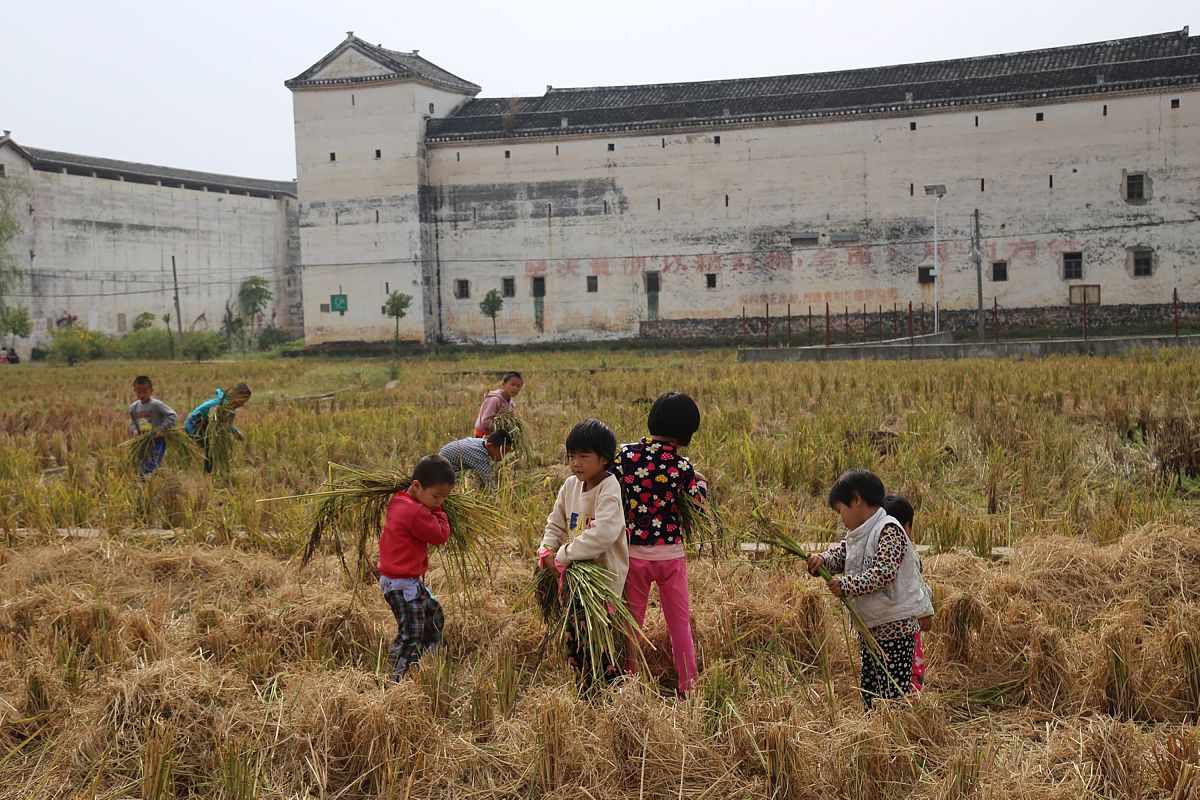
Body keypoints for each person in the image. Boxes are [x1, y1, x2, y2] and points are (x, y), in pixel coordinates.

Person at [807, 469, 928, 710]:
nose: (841, 518)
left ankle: (891, 738)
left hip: (895, 628)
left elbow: (884, 572)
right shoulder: (858, 534)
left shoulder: (888, 529)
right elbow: (842, 554)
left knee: (892, 695)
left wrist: (846, 585)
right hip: (872, 628)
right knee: (871, 690)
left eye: (841, 510)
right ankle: (874, 734)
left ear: (857, 500)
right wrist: (822, 560)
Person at [611, 392, 707, 695]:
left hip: (634, 555)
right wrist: (701, 481)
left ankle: (628, 681)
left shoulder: (625, 456)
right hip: (670, 555)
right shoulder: (681, 465)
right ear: (686, 431)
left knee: (631, 624)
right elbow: (699, 503)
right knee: (680, 624)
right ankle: (688, 685)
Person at [538, 419, 628, 693]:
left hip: (602, 579)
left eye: (583, 456)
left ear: (603, 459)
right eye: (571, 456)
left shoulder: (609, 488)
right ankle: (584, 685)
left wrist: (564, 555)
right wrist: (547, 550)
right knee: (575, 635)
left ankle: (604, 690)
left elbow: (604, 533)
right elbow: (556, 523)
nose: (576, 463)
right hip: (576, 577)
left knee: (598, 638)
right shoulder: (569, 486)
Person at [379, 454, 455, 681]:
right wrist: (439, 513)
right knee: (411, 632)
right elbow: (441, 535)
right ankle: (395, 677)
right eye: (436, 496)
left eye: (445, 498)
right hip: (402, 584)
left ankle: (425, 660)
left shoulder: (399, 500)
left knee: (434, 615)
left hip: (404, 581)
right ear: (416, 486)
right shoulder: (416, 512)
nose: (440, 501)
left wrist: (433, 505)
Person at [883, 493, 935, 693]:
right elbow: (917, 585)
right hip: (906, 622)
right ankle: (910, 698)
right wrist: (926, 613)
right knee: (910, 666)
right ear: (907, 527)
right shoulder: (908, 553)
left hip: (887, 620)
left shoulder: (879, 550)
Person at [183, 383, 251, 473]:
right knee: (211, 447)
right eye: (243, 401)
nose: (242, 405)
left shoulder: (229, 407)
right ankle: (208, 473)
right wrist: (213, 421)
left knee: (213, 448)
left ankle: (211, 472)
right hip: (194, 425)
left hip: (204, 427)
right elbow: (204, 410)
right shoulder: (220, 404)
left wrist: (235, 432)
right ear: (236, 396)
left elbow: (226, 422)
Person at [128, 376, 178, 477]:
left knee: (152, 466)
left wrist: (163, 428)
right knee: (141, 466)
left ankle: (152, 485)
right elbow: (133, 423)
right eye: (138, 392)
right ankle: (144, 486)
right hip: (142, 442)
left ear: (151, 391)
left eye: (144, 392)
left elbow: (172, 415)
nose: (141, 395)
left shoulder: (156, 405)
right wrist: (133, 430)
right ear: (134, 391)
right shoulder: (134, 407)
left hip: (157, 441)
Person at [438, 430, 512, 489]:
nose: (504, 456)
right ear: (490, 446)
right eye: (503, 452)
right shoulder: (479, 457)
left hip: (443, 456)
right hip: (444, 469)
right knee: (475, 479)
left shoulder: (481, 442)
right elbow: (488, 483)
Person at [474, 371, 523, 437]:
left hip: (497, 437)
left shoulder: (511, 404)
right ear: (503, 384)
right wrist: (503, 427)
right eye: (512, 384)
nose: (515, 388)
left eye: (518, 386)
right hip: (483, 435)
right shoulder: (495, 400)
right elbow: (485, 422)